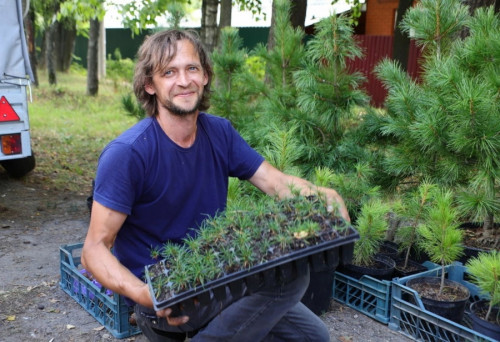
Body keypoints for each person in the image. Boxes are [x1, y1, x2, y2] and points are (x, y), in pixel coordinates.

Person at [82, 29, 350, 342]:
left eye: (191, 68)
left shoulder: (218, 132)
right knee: (288, 279)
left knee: (312, 336)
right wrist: (143, 294)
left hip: (218, 270)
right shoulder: (129, 153)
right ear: (149, 85)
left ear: (206, 76)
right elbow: (93, 249)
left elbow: (274, 182)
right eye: (169, 72)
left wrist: (322, 193)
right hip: (168, 293)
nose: (183, 81)